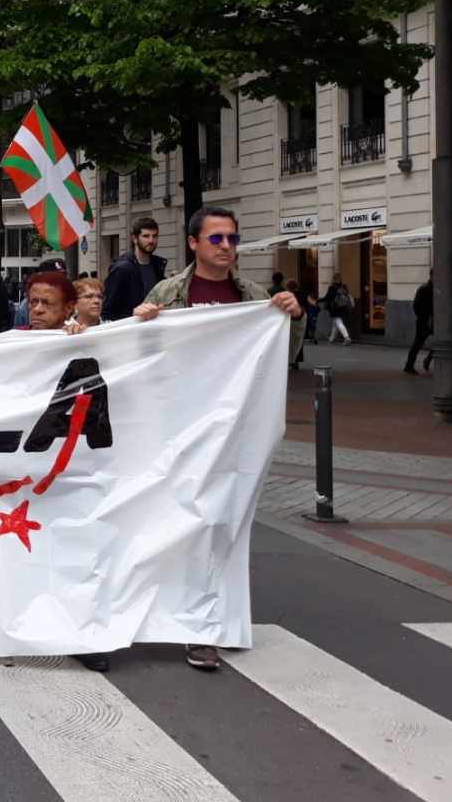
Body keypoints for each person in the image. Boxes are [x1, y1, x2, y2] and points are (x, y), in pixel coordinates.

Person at [131, 204, 303, 674]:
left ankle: (205, 625)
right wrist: (141, 324)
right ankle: (182, 621)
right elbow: (142, 361)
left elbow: (280, 357)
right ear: (193, 243)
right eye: (216, 239)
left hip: (234, 434)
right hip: (181, 431)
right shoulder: (169, 292)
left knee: (219, 527)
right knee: (186, 525)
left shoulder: (253, 296)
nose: (226, 246)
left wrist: (293, 317)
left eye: (231, 238)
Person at [101, 217, 166, 321]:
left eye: (155, 236)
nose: (151, 240)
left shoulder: (158, 266)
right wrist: (133, 313)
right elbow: (107, 312)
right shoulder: (122, 269)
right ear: (135, 239)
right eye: (146, 236)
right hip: (130, 331)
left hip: (154, 327)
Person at [404, 271, 433, 374]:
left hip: (433, 321)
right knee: (418, 343)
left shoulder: (435, 288)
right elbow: (416, 305)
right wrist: (423, 318)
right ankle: (409, 365)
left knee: (441, 342)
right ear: (432, 276)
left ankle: (427, 360)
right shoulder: (424, 289)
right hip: (424, 321)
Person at [320, 273, 355, 345]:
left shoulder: (332, 287)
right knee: (335, 324)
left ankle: (347, 337)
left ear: (333, 279)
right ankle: (331, 339)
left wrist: (318, 300)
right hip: (343, 307)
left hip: (335, 308)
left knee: (338, 322)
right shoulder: (344, 286)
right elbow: (348, 296)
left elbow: (327, 298)